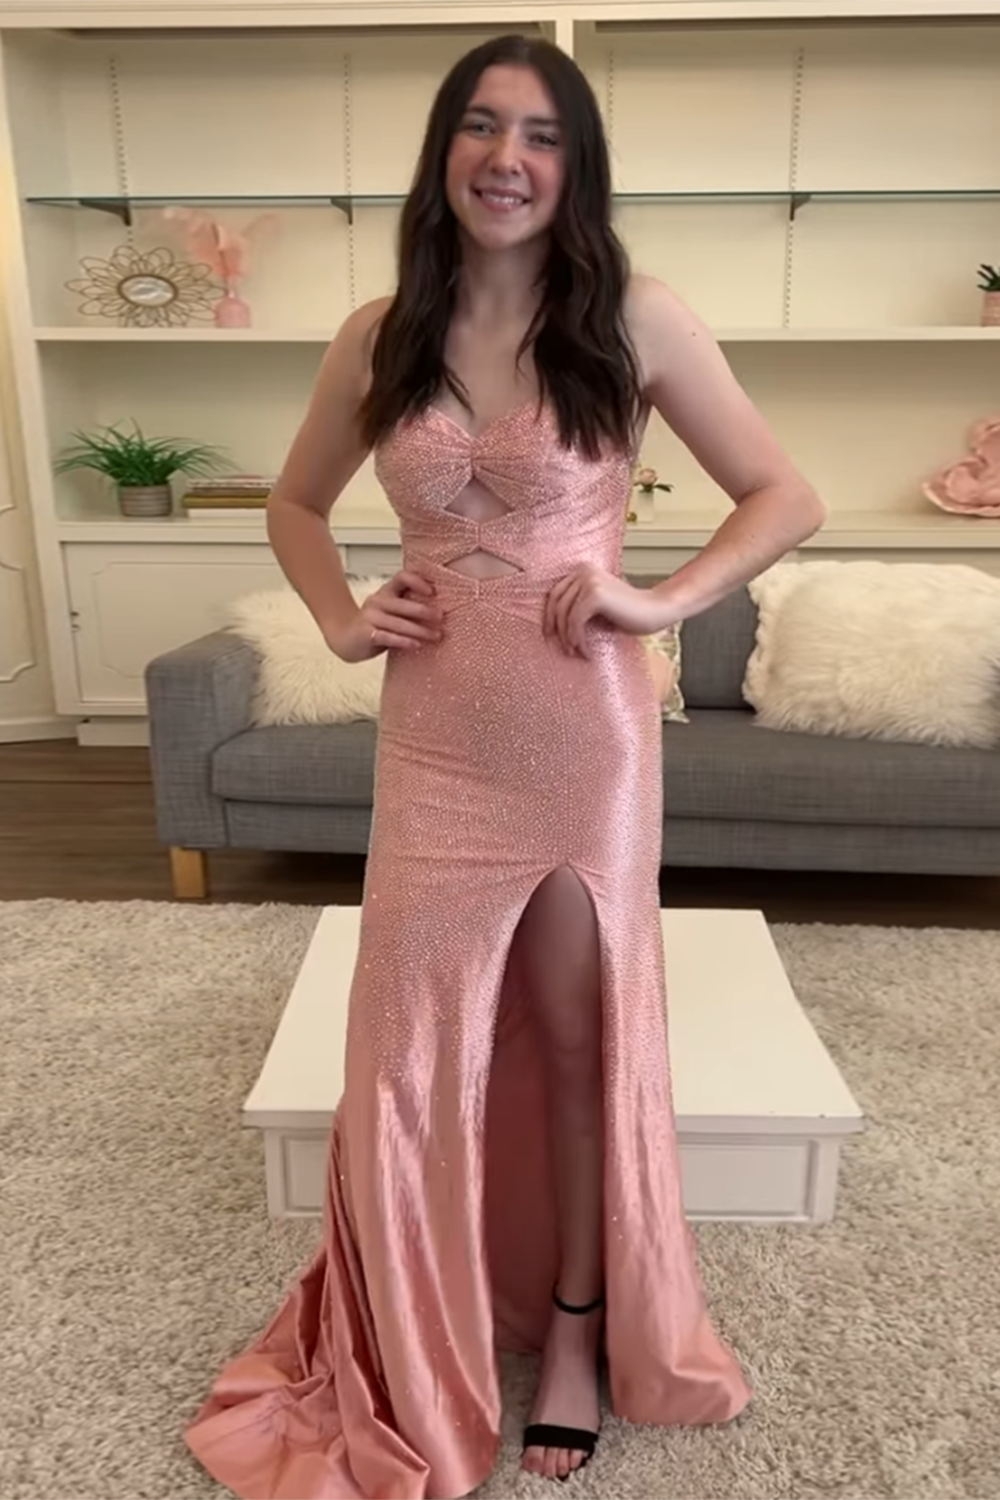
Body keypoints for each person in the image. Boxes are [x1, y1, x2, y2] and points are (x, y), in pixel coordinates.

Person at [183, 32, 825, 1500]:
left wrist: (658, 600)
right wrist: (341, 617)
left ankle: (582, 1333)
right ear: (444, 152)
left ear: (574, 165)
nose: (507, 158)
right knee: (410, 1045)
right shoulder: (379, 332)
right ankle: (420, 1318)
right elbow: (292, 503)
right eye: (481, 126)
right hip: (435, 733)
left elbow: (785, 492)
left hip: (580, 732)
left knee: (577, 1037)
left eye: (541, 134)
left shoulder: (634, 316)